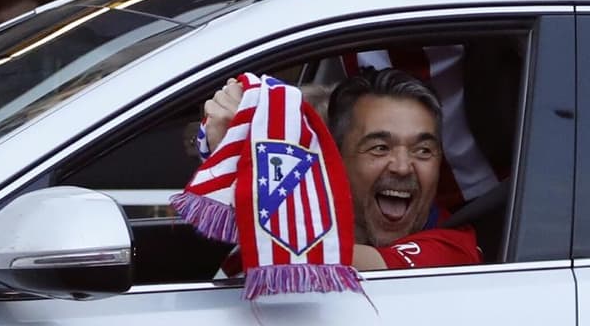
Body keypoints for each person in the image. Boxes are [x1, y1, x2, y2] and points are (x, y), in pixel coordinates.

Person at [202, 67, 481, 271]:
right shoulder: (303, 225)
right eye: (380, 147)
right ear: (335, 160)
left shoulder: (452, 250)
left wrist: (241, 156)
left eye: (423, 151)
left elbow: (306, 259)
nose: (402, 167)